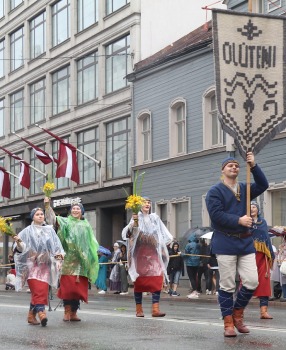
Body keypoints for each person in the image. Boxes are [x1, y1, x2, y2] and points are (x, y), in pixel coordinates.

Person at [205, 152, 269, 337]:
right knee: (227, 285)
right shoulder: (215, 191)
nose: (234, 167)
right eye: (230, 165)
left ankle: (237, 314)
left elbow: (264, 185)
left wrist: (254, 166)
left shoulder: (245, 188)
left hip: (245, 242)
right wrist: (239, 220)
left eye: (236, 165)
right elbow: (216, 215)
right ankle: (228, 323)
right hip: (225, 242)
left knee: (251, 281)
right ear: (223, 170)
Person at [44, 198, 99, 322]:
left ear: (82, 211)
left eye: (78, 208)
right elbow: (52, 220)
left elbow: (91, 243)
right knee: (68, 288)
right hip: (68, 260)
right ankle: (67, 311)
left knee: (78, 290)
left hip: (82, 262)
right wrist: (48, 206)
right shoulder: (65, 222)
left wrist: (91, 257)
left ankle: (74, 312)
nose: (75, 210)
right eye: (73, 208)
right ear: (70, 211)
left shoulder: (86, 225)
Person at [13, 207, 64, 327]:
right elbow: (20, 249)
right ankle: (42, 313)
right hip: (31, 267)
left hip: (45, 267)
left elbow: (57, 248)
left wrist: (59, 261)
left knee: (41, 291)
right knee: (38, 291)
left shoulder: (49, 231)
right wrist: (19, 242)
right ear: (33, 217)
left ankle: (31, 316)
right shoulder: (26, 231)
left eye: (42, 214)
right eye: (37, 214)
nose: (40, 216)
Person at [122, 197, 173, 317]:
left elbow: (161, 233)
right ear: (139, 205)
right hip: (140, 253)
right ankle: (139, 309)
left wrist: (162, 247)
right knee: (140, 281)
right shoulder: (136, 218)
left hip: (153, 252)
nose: (147, 204)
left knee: (157, 278)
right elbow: (128, 235)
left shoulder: (154, 218)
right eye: (145, 202)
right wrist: (134, 224)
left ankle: (155, 309)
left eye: (149, 202)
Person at [250, 201, 275, 319]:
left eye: (254, 207)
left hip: (262, 255)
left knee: (264, 283)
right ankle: (239, 310)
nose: (252, 209)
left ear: (258, 209)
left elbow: (266, 238)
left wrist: (269, 253)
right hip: (248, 255)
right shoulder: (245, 222)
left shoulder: (262, 222)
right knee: (246, 282)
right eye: (249, 207)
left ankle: (263, 311)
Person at [277, 235, 286, 302]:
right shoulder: (282, 246)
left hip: (284, 263)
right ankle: (284, 295)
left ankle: (285, 296)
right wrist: (280, 251)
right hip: (282, 264)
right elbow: (279, 255)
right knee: (283, 280)